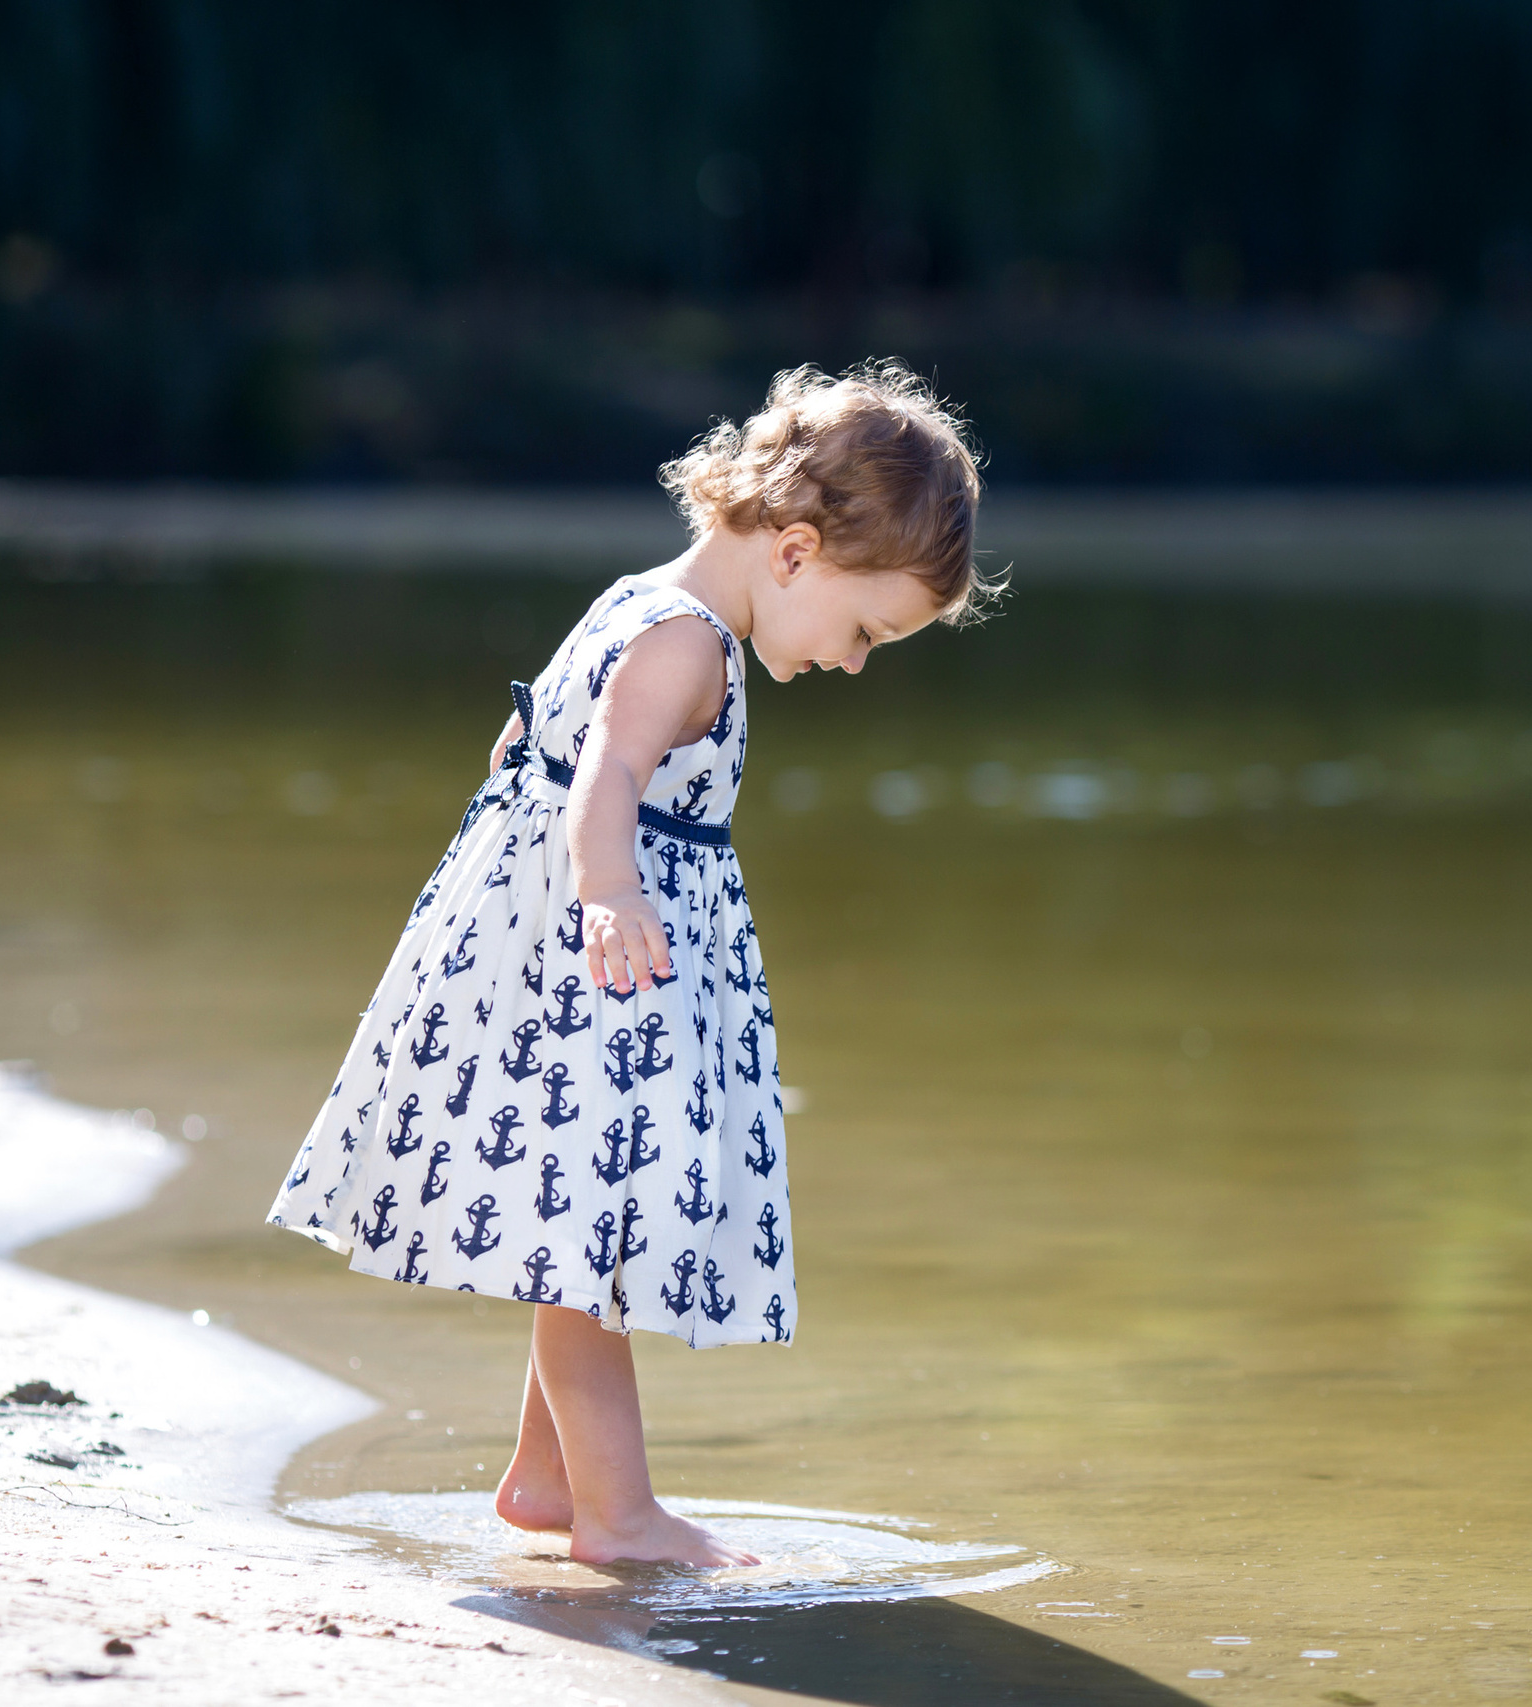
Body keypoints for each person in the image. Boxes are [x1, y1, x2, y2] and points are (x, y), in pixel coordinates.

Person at [266, 361, 990, 1567]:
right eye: (869, 631)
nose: (858, 663)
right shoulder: (690, 647)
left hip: (566, 961)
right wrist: (604, 895)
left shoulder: (632, 600)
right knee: (590, 1251)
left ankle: (545, 1484)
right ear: (797, 551)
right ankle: (619, 1515)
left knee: (584, 1226)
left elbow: (527, 741)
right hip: (608, 973)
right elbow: (602, 771)